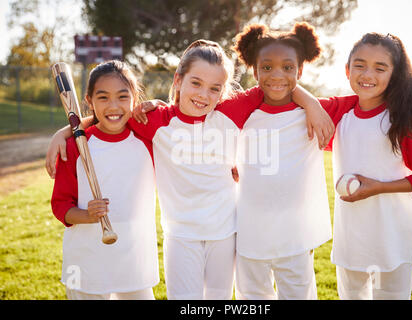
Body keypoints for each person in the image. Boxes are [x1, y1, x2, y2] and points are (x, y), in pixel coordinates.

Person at [47, 40, 332, 300]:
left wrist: (311, 103)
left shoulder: (230, 112)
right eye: (195, 83)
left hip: (225, 232)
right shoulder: (155, 120)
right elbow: (111, 116)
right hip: (180, 236)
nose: (203, 95)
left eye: (214, 88)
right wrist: (67, 131)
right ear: (178, 80)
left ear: (224, 90)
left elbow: (276, 82)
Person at [317, 32, 412, 299]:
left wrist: (379, 188)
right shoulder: (342, 110)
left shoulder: (401, 120)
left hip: (393, 235)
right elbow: (298, 103)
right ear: (347, 69)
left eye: (380, 68)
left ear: (394, 75)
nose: (367, 74)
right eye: (359, 64)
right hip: (351, 235)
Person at [230, 22, 333, 300]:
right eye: (267, 67)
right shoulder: (241, 109)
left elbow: (367, 104)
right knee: (252, 296)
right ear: (254, 70)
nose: (277, 75)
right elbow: (196, 111)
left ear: (300, 70)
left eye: (288, 68)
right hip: (250, 229)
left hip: (295, 233)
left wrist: (310, 102)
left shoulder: (318, 112)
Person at [51, 60, 159, 300]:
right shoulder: (74, 146)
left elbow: (176, 117)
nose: (114, 106)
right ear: (89, 102)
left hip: (134, 257)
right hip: (87, 260)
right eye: (103, 97)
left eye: (122, 97)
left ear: (134, 99)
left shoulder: (148, 140)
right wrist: (86, 216)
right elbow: (60, 206)